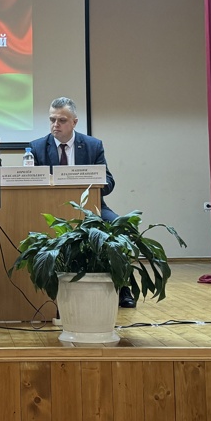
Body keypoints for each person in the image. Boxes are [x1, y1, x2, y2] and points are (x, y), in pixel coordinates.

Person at [29, 97, 134, 308]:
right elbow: (33, 184)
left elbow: (109, 181)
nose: (55, 125)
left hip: (93, 207)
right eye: (52, 120)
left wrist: (91, 181)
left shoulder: (93, 146)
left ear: (74, 122)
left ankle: (123, 288)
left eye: (61, 120)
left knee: (120, 229)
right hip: (52, 209)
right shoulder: (37, 147)